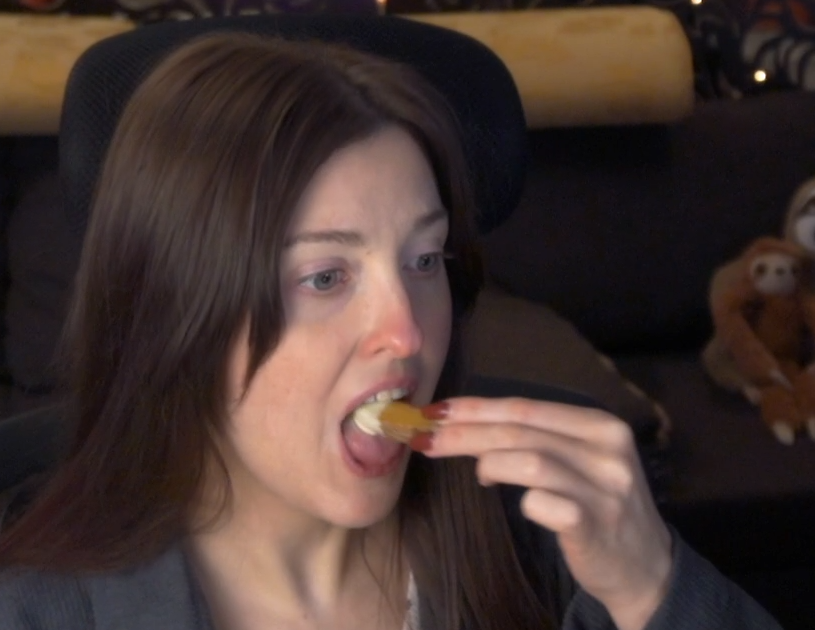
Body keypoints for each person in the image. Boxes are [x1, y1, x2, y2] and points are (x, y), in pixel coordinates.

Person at [0, 31, 782, 630]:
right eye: (325, 277)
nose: (406, 333)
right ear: (179, 315)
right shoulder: (40, 612)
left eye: (424, 259)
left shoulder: (555, 548)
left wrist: (654, 587)